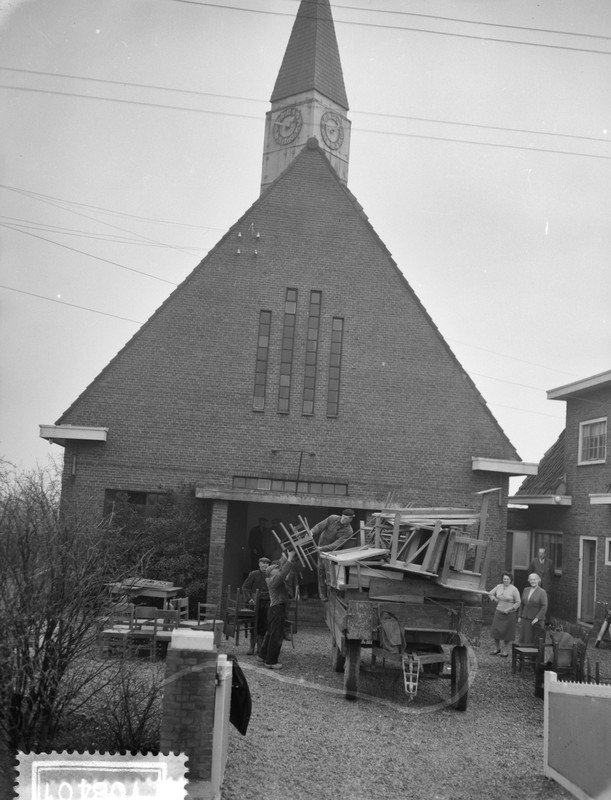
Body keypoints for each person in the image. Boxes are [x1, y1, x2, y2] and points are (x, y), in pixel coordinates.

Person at [258, 550, 296, 670]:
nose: (279, 570)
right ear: (271, 572)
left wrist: (285, 557)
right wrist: (289, 558)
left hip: (275, 609)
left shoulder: (274, 578)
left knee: (270, 633)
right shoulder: (273, 580)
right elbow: (282, 573)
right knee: (276, 635)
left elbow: (283, 570)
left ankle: (262, 655)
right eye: (276, 570)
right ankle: (270, 661)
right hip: (277, 610)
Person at [310, 509, 356, 601]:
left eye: (346, 519)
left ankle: (331, 594)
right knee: (321, 571)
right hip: (321, 547)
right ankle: (322, 594)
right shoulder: (332, 518)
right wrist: (312, 531)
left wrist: (322, 549)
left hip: (332, 552)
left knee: (330, 573)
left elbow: (336, 545)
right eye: (342, 517)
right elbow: (320, 526)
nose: (343, 519)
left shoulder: (349, 531)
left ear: (351, 519)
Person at [242, 556, 271, 656]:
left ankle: (260, 648)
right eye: (262, 563)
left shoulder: (270, 574)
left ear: (269, 565)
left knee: (263, 625)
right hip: (255, 604)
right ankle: (251, 647)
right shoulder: (254, 574)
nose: (264, 565)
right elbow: (245, 587)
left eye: (267, 563)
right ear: (259, 564)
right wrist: (249, 598)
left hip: (267, 603)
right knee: (254, 625)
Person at [488, 571, 521, 657]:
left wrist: (509, 609)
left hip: (509, 614)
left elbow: (518, 602)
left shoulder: (514, 589)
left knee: (507, 633)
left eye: (508, 579)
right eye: (504, 579)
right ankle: (497, 649)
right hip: (498, 612)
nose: (506, 580)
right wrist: (494, 599)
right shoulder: (498, 586)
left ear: (511, 580)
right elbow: (490, 593)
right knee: (496, 631)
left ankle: (505, 651)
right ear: (502, 579)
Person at [518, 573, 548, 645]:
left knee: (533, 639)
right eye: (531, 580)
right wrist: (519, 616)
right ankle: (524, 653)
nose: (532, 581)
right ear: (529, 580)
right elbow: (522, 604)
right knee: (524, 638)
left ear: (538, 580)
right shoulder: (526, 590)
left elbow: (544, 606)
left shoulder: (542, 592)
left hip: (535, 620)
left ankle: (533, 655)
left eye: (534, 579)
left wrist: (537, 618)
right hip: (525, 618)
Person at [528, 547, 554, 621]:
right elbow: (530, 573)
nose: (541, 555)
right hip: (536, 586)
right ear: (538, 553)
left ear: (545, 554)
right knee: (536, 602)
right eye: (539, 553)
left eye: (542, 553)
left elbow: (552, 574)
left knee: (546, 603)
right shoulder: (534, 561)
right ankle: (535, 619)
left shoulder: (550, 562)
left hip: (546, 587)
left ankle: (546, 621)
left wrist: (547, 582)